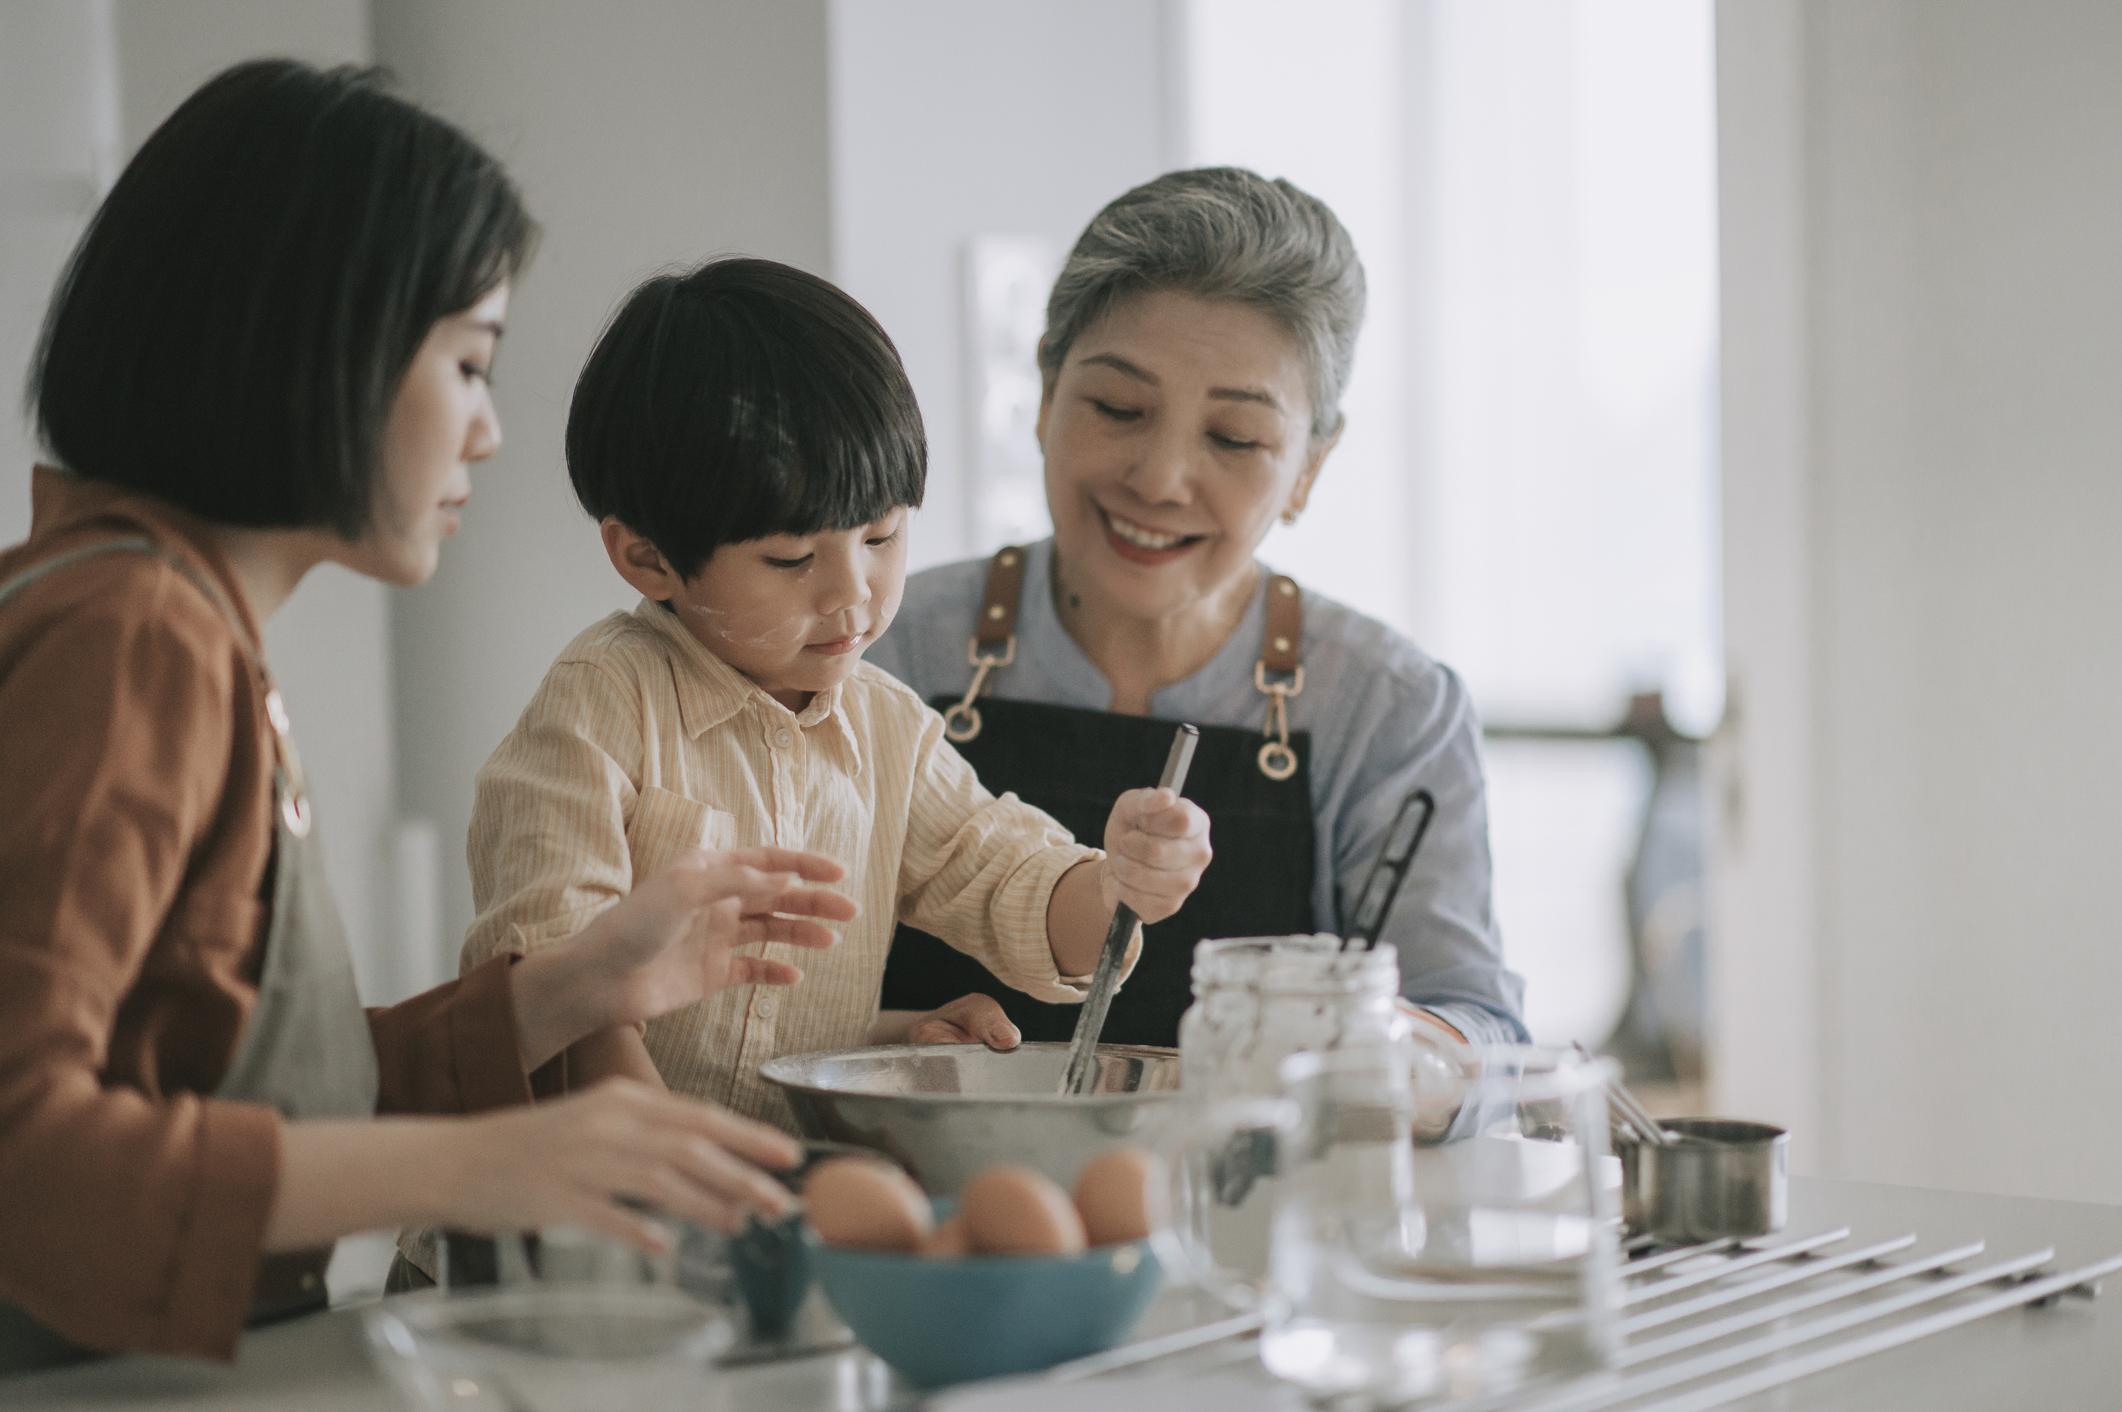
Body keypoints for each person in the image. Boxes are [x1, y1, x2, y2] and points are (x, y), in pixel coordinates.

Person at [0, 61, 851, 1372]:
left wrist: (568, 991)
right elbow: (26, 1149)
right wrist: (476, 1165)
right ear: (309, 349)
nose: (489, 432)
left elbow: (242, 1094)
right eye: (467, 362)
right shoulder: (136, 638)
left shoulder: (174, 624)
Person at [446, 256, 1213, 1132]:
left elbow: (1009, 882)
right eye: (791, 560)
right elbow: (560, 991)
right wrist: (684, 1181)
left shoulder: (885, 729)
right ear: (647, 557)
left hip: (764, 1203)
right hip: (572, 1220)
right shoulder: (603, 708)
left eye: (882, 537)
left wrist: (1121, 882)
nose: (852, 595)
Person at [871, 166, 1527, 1049]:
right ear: (1044, 397)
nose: (1161, 478)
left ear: (1308, 469)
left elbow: (1480, 1031)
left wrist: (1375, 1042)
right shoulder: (881, 646)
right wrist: (885, 1038)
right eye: (1118, 407)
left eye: (1234, 438)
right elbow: (758, 1002)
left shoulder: (1389, 709)